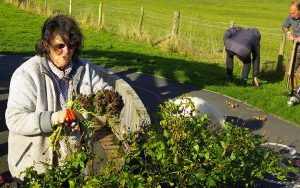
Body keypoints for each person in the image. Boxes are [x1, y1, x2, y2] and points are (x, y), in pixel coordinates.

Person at [5, 15, 112, 182]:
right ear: (46, 45)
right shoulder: (26, 74)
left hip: (74, 165)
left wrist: (111, 101)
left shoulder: (84, 69)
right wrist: (53, 118)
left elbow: (105, 92)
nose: (66, 52)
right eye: (59, 46)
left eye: (71, 46)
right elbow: (15, 119)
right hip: (34, 168)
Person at [282, 1, 300, 88]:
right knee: (289, 71)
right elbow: (284, 26)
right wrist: (288, 33)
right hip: (296, 49)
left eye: (293, 13)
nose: (291, 15)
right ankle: (295, 91)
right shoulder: (290, 17)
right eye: (290, 13)